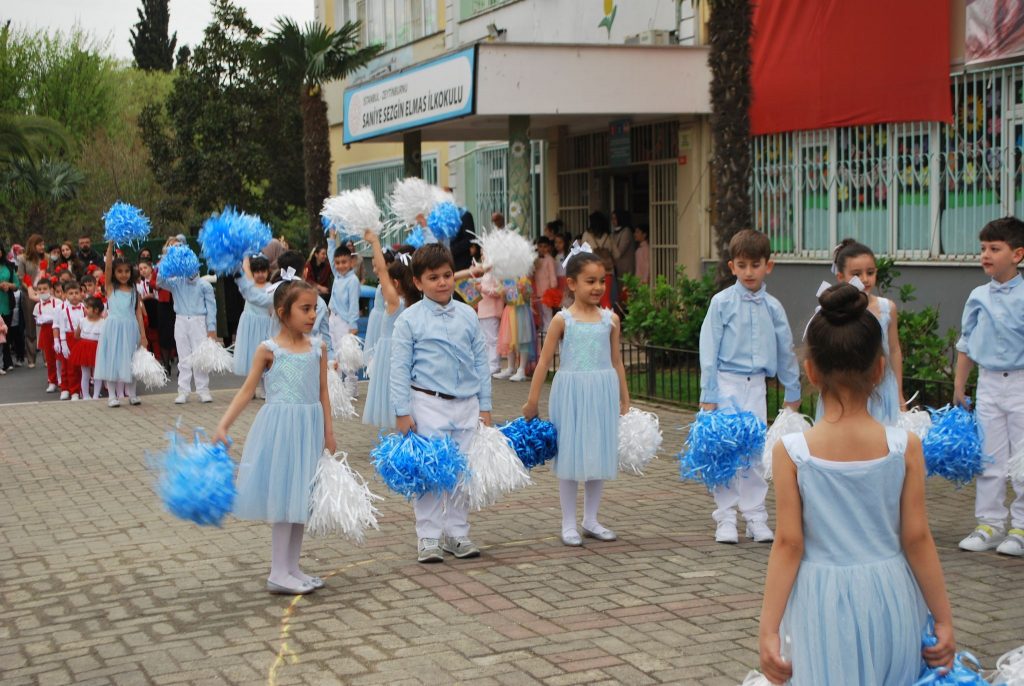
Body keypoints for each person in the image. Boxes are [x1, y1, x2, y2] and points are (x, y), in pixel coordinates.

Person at [759, 282, 955, 685]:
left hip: (821, 599)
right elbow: (917, 538)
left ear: (811, 371)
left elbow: (789, 543)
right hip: (892, 593)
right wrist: (943, 618)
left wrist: (769, 628)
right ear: (880, 369)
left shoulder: (791, 452)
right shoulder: (906, 446)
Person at [214, 279, 335, 595]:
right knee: (285, 497)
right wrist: (223, 425)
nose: (312, 315)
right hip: (282, 429)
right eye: (305, 309)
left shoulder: (318, 347)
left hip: (309, 427)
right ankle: (278, 571)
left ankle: (292, 567)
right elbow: (246, 391)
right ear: (283, 312)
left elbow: (323, 392)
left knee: (301, 498)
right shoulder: (269, 350)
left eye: (314, 308)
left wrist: (328, 432)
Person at [390, 243, 493, 563]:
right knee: (430, 472)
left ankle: (457, 533)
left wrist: (485, 405)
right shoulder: (408, 320)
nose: (443, 282)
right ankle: (429, 537)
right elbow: (398, 369)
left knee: (462, 471)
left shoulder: (468, 314)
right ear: (418, 282)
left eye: (447, 275)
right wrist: (402, 412)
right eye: (433, 278)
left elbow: (481, 361)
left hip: (467, 404)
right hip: (427, 404)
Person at [699, 229, 801, 544]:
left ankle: (756, 516)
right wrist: (709, 393)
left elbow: (785, 349)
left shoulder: (773, 307)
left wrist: (793, 390)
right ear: (732, 267)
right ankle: (725, 517)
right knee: (725, 450)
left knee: (754, 452)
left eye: (755, 265)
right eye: (742, 265)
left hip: (757, 385)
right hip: (726, 384)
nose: (748, 272)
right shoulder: (721, 303)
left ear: (768, 266)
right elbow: (709, 348)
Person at [523, 249, 630, 547]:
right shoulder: (563, 320)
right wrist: (532, 401)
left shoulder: (610, 320)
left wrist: (625, 399)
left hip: (602, 392)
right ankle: (568, 522)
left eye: (602, 281)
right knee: (570, 455)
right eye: (590, 281)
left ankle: (591, 519)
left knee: (598, 453)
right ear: (571, 283)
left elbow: (617, 361)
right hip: (571, 394)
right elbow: (544, 362)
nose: (597, 287)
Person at [953, 216, 1024, 556]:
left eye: (995, 249)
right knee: (989, 457)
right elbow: (966, 341)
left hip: (1021, 382)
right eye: (983, 248)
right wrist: (960, 385)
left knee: (1022, 459)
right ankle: (990, 525)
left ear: (1018, 254)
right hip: (989, 384)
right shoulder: (978, 295)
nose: (986, 255)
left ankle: (1021, 527)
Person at [817, 239, 905, 424]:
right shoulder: (831, 311)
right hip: (843, 389)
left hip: (882, 389)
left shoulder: (887, 308)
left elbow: (894, 349)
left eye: (870, 272)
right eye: (857, 274)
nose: (865, 279)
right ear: (840, 276)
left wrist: (898, 392)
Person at [362, 230, 419, 428]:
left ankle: (397, 424)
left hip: (390, 354)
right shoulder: (415, 303)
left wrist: (375, 243)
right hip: (405, 351)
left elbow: (381, 270)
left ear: (395, 282)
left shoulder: (394, 301)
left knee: (391, 390)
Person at [156, 252, 217, 405]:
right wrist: (166, 263)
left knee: (200, 356)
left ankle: (203, 390)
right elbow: (160, 281)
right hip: (181, 320)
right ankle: (183, 391)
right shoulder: (177, 282)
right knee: (183, 357)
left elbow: (211, 308)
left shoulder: (204, 285)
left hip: (199, 321)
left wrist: (211, 328)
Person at [95, 242, 146, 408]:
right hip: (114, 328)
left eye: (126, 271)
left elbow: (138, 314)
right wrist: (110, 245)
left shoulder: (134, 291)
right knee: (113, 359)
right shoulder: (110, 288)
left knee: (131, 360)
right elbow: (108, 266)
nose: (123, 275)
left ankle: (132, 393)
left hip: (130, 328)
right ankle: (112, 395)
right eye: (119, 271)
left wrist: (143, 335)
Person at [326, 228, 361, 392]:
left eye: (344, 262)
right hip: (332, 318)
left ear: (351, 262)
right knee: (334, 350)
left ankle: (352, 385)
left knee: (346, 352)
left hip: (345, 322)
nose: (340, 266)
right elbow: (330, 254)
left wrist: (353, 325)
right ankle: (338, 384)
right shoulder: (338, 275)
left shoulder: (352, 280)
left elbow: (354, 304)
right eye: (338, 262)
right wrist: (332, 238)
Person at [234, 256, 273, 399]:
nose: (260, 274)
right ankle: (250, 389)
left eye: (263, 271)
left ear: (268, 272)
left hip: (265, 324)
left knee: (264, 356)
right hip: (250, 324)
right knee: (249, 354)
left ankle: (264, 387)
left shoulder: (271, 287)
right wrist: (244, 257)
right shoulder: (249, 285)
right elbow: (244, 273)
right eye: (257, 271)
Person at [494, 275, 535, 382]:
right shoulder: (507, 279)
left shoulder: (524, 279)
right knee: (508, 339)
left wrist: (523, 290)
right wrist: (503, 293)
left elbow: (528, 297)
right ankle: (510, 367)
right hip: (510, 311)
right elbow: (505, 300)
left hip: (521, 311)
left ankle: (521, 369)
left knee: (523, 339)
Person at [16, 234, 47, 368]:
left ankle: (47, 357)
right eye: (39, 245)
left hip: (45, 294)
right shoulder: (23, 259)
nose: (42, 247)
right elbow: (21, 277)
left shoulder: (47, 258)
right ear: (33, 246)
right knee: (30, 326)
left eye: (43, 244)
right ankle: (31, 358)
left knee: (46, 325)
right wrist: (30, 289)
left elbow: (51, 274)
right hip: (29, 294)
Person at [54, 281, 86, 400]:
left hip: (82, 338)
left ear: (81, 293)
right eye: (71, 293)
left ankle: (82, 389)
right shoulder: (62, 310)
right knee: (68, 365)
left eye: (76, 293)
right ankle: (69, 390)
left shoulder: (84, 308)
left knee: (81, 366)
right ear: (66, 295)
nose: (74, 296)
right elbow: (60, 327)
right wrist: (61, 342)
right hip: (69, 338)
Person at [72, 296, 106, 400]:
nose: (85, 309)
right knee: (85, 373)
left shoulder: (104, 322)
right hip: (85, 348)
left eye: (87, 307)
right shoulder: (82, 321)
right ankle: (86, 395)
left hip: (98, 348)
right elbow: (76, 335)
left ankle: (96, 395)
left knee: (97, 373)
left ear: (96, 310)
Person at [31, 277, 61, 392]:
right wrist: (40, 320)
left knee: (60, 357)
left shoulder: (58, 302)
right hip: (45, 331)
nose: (42, 291)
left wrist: (52, 318)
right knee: (49, 358)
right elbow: (36, 320)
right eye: (40, 289)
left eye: (45, 288)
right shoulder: (37, 306)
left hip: (57, 330)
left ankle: (62, 379)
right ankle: (52, 381)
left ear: (51, 290)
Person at [155, 237, 179, 374]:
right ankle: (165, 364)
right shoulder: (161, 264)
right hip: (164, 302)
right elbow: (155, 283)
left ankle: (182, 364)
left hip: (179, 301)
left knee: (179, 333)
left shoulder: (184, 263)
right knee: (165, 333)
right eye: (172, 246)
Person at [477, 265, 505, 375]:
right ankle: (488, 363)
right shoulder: (485, 273)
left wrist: (482, 289)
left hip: (492, 310)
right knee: (485, 339)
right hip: (483, 310)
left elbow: (499, 291)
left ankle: (494, 364)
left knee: (492, 339)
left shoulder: (496, 273)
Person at [136, 260, 161, 361]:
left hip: (158, 308)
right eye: (140, 269)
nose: (143, 270)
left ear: (151, 268)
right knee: (150, 333)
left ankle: (160, 356)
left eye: (145, 268)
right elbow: (139, 299)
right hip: (147, 309)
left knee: (158, 333)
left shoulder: (158, 279)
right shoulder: (140, 284)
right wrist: (146, 297)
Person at [533, 237, 558, 333]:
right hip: (537, 291)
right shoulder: (535, 259)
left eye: (545, 247)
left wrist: (552, 288)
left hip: (547, 292)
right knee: (540, 313)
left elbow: (552, 275)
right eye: (540, 246)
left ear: (549, 247)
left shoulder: (550, 259)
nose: (542, 249)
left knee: (547, 313)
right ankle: (543, 333)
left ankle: (548, 333)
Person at [0, 242, 18, 373]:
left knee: (5, 332)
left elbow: (17, 285)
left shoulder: (9, 266)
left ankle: (7, 361)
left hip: (6, 303)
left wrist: (9, 285)